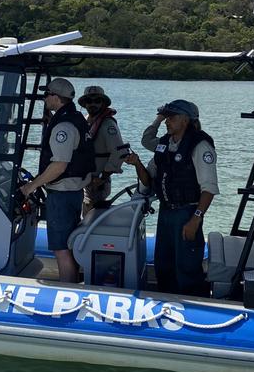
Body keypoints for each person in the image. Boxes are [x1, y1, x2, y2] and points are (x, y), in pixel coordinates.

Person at [126, 99, 218, 296]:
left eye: (171, 117)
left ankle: (194, 306)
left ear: (185, 120)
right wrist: (137, 163)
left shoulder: (200, 146)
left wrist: (195, 218)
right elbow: (149, 180)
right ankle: (166, 303)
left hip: (187, 212)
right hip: (166, 212)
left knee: (187, 267)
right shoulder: (165, 144)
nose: (167, 121)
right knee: (163, 264)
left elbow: (209, 188)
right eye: (166, 117)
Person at [19, 78, 94, 283]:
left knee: (61, 247)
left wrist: (30, 186)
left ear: (55, 97)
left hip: (61, 194)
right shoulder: (75, 118)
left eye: (47, 94)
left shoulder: (64, 127)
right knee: (68, 243)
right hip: (74, 191)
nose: (44, 98)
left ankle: (67, 288)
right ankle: (72, 282)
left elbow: (59, 165)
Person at [79, 85, 128, 214]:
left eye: (97, 101)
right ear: (84, 104)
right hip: (85, 180)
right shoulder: (85, 121)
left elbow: (120, 152)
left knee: (92, 217)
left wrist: (102, 177)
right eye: (89, 101)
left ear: (103, 103)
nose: (92, 104)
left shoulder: (108, 124)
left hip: (97, 183)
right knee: (85, 215)